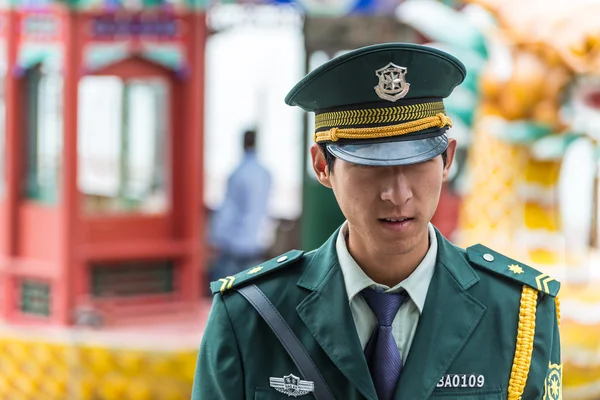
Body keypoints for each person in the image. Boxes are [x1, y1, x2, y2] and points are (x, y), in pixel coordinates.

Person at [193, 43, 561, 400]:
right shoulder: (251, 313)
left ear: (447, 160)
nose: (397, 194)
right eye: (371, 166)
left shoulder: (516, 310)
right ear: (323, 166)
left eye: (418, 163)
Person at [207, 129, 272, 284]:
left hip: (234, 243)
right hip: (256, 241)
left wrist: (216, 237)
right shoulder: (266, 174)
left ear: (242, 143)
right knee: (250, 290)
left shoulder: (237, 173)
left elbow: (229, 210)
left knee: (224, 291)